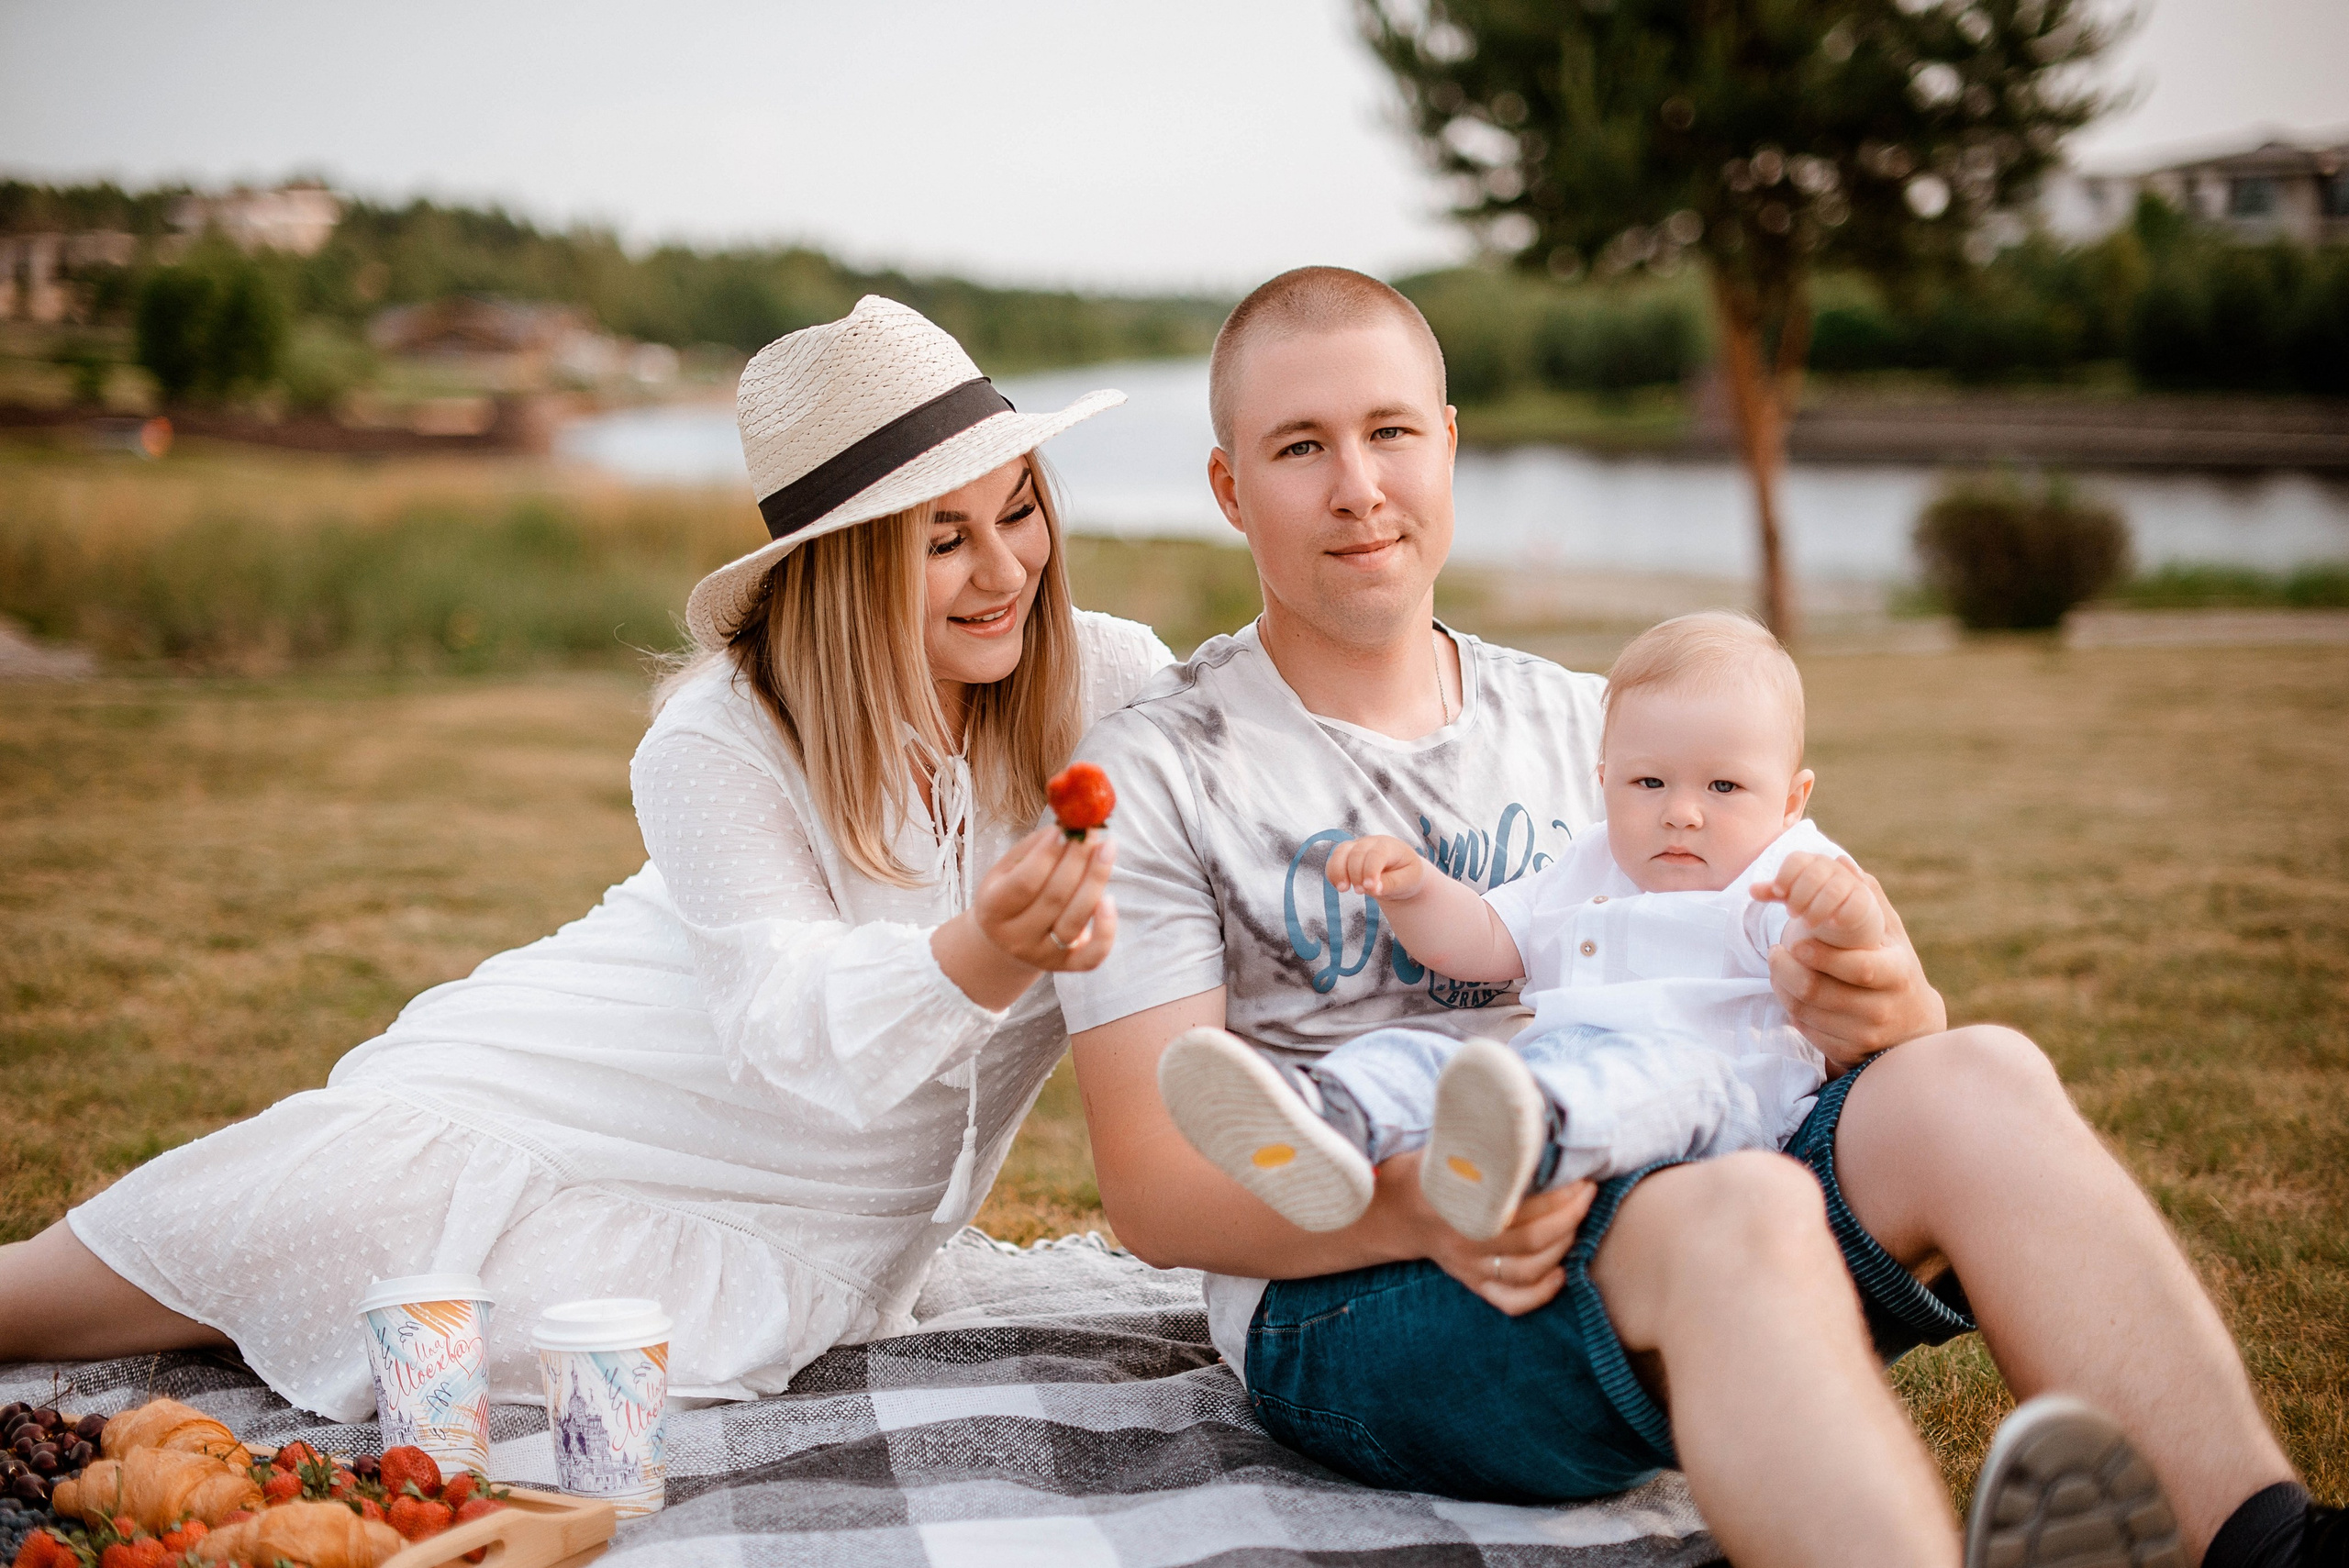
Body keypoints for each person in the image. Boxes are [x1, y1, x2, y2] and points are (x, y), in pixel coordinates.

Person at [1056, 266, 2335, 1568]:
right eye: (1299, 447)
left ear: (1448, 444)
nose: (1358, 486)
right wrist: (1424, 1209)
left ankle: (2271, 1546)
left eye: (1390, 431)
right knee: (1745, 1211)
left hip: (1664, 1178)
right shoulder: (1163, 769)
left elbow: (1809, 996)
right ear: (1228, 488)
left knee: (1978, 1075)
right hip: (1362, 1292)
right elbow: (1155, 1188)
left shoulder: (1597, 725)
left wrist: (1886, 1010)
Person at [0, 296, 1174, 1419]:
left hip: (806, 1222)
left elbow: (1261, 784)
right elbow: (786, 1026)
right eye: (945, 537)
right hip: (569, 1082)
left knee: (423, 1318)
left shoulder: (1107, 680)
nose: (1008, 570)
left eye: (1018, 510)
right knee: (147, 1280)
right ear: (847, 564)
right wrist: (986, 947)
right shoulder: (719, 733)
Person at [1157, 610, 1879, 1243]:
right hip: (1545, 1071)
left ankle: (1516, 1150)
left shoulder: (1783, 872)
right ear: (1604, 780)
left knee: (1650, 1077)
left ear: (1791, 798)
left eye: (1723, 786)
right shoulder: (1587, 864)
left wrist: (1839, 914)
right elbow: (1483, 941)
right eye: (1648, 782)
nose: (1681, 812)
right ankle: (1318, 1120)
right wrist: (1414, 888)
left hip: (1714, 1100)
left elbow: (1835, 958)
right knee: (1431, 1058)